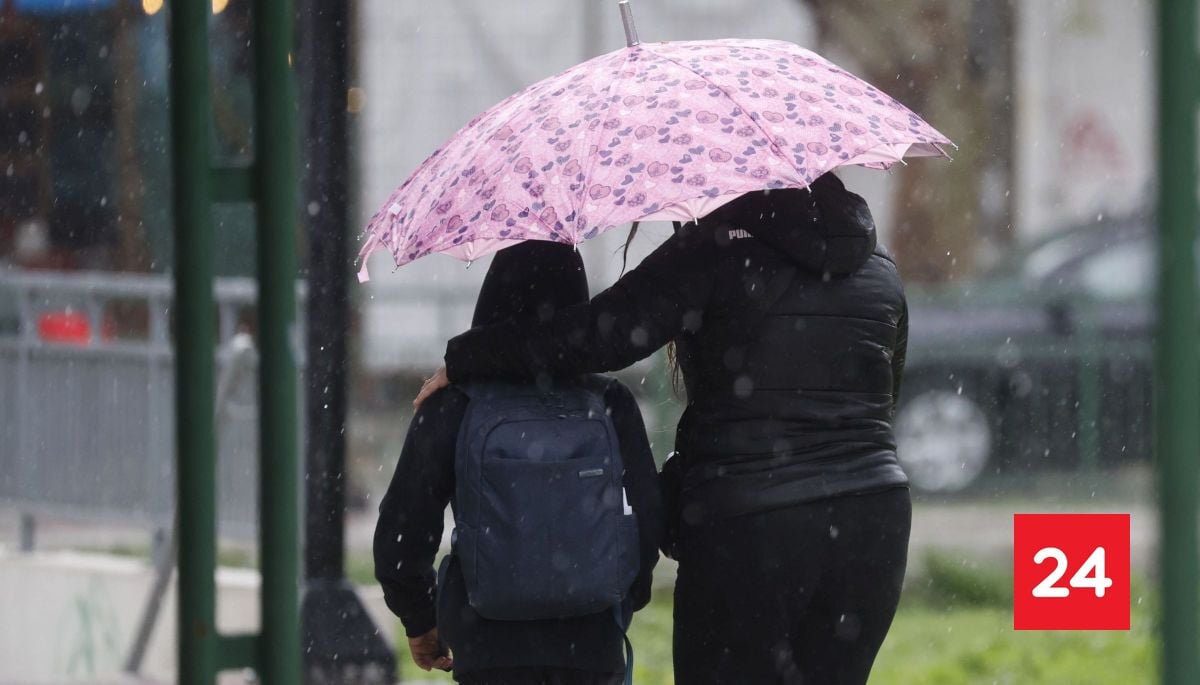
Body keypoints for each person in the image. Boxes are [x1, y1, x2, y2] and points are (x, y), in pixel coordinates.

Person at [417, 173, 911, 685]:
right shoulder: (879, 268)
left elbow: (597, 336)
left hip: (749, 524)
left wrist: (470, 354)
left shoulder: (716, 250)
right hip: (874, 520)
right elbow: (885, 396)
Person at [374, 241, 663, 685]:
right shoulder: (610, 403)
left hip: (488, 648)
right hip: (590, 644)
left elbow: (404, 528)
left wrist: (420, 618)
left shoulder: (453, 404)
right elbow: (646, 517)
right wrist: (620, 602)